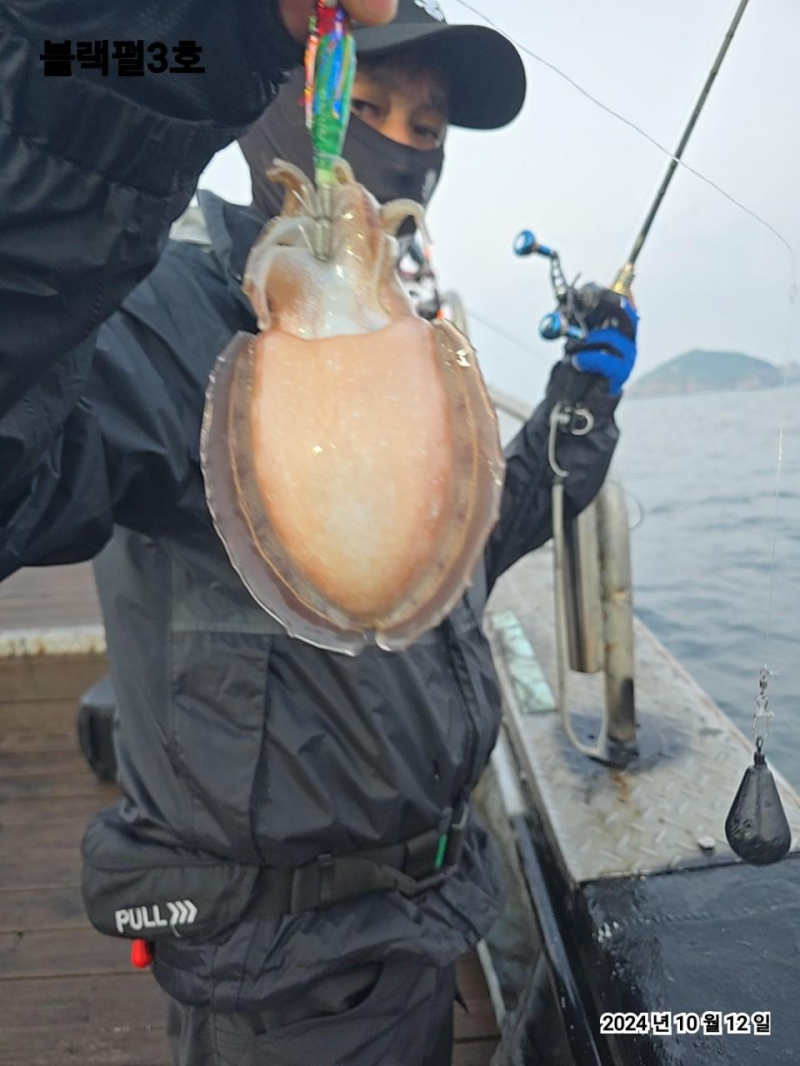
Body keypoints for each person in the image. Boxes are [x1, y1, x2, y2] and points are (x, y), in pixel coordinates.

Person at [0, 1, 638, 1063]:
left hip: (426, 914)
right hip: (282, 975)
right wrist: (117, 100)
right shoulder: (164, 310)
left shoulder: (419, 341)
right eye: (362, 99)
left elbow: (447, 561)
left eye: (425, 128)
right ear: (275, 102)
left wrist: (574, 414)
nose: (392, 144)